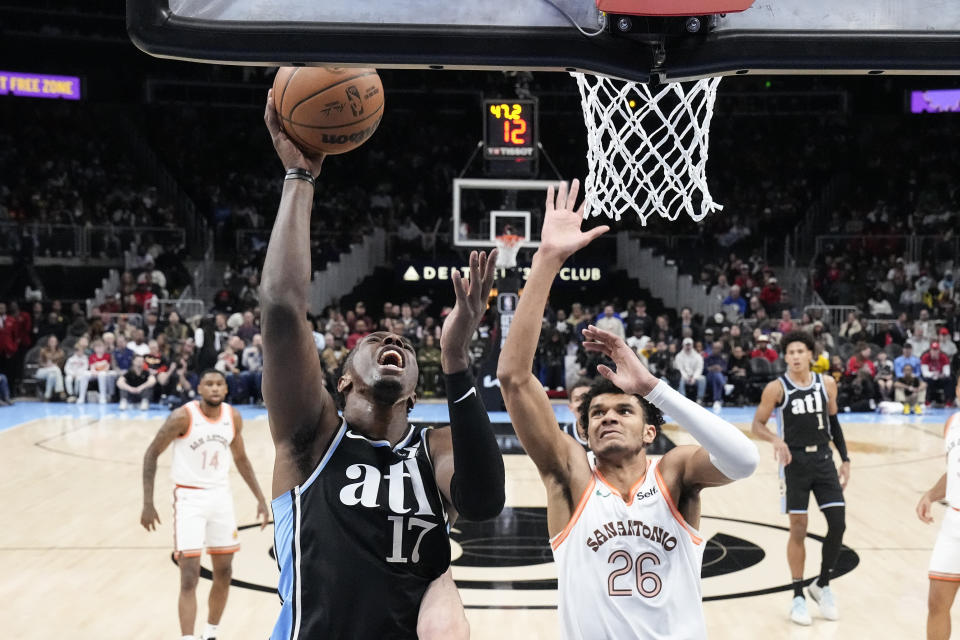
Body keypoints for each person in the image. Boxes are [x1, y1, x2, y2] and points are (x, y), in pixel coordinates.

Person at [261, 91, 505, 640]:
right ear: (342, 378)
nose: (392, 336)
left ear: (417, 393)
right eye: (374, 337)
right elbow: (280, 306)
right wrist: (300, 178)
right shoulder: (312, 439)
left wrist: (457, 361)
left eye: (402, 344)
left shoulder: (435, 447)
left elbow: (485, 503)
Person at [496, 180, 758, 639]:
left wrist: (653, 388)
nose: (608, 417)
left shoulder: (674, 472)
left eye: (623, 409)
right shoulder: (571, 477)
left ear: (650, 432)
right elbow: (515, 380)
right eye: (597, 414)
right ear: (584, 431)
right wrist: (546, 262)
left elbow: (745, 460)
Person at [140, 369, 269, 640]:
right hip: (189, 499)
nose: (214, 388)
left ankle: (210, 633)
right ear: (199, 388)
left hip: (220, 498)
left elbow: (241, 459)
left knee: (224, 571)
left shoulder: (232, 417)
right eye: (208, 383)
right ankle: (187, 637)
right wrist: (148, 503)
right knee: (189, 575)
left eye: (219, 384)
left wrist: (259, 497)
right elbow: (152, 453)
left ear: (225, 389)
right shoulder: (182, 417)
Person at [751, 331, 850, 626]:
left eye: (799, 351)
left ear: (811, 355)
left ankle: (822, 584)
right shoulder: (776, 388)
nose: (794, 356)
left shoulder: (827, 383)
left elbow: (834, 422)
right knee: (799, 527)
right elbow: (757, 424)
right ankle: (797, 596)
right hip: (793, 462)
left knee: (838, 523)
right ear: (786, 356)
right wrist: (775, 440)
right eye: (790, 352)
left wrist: (845, 458)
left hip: (823, 460)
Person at [916, 382, 960, 639]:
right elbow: (954, 470)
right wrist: (930, 495)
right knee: (936, 602)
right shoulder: (952, 423)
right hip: (954, 522)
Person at [675, 337, 706, 403]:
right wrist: (686, 377)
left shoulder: (698, 356)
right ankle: (683, 399)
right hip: (684, 377)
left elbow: (699, 368)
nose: (688, 347)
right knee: (680, 379)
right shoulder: (678, 356)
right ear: (683, 345)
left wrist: (694, 378)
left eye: (689, 345)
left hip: (695, 378)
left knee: (703, 379)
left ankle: (699, 399)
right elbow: (680, 369)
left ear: (692, 345)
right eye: (686, 345)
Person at [922, 342, 954, 407]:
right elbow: (925, 373)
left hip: (941, 378)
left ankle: (949, 401)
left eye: (936, 350)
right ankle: (927, 401)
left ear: (939, 351)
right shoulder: (925, 357)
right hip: (931, 378)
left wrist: (940, 375)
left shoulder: (944, 357)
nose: (934, 352)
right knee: (925, 380)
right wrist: (934, 374)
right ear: (930, 350)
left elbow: (947, 372)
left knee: (949, 380)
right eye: (933, 350)